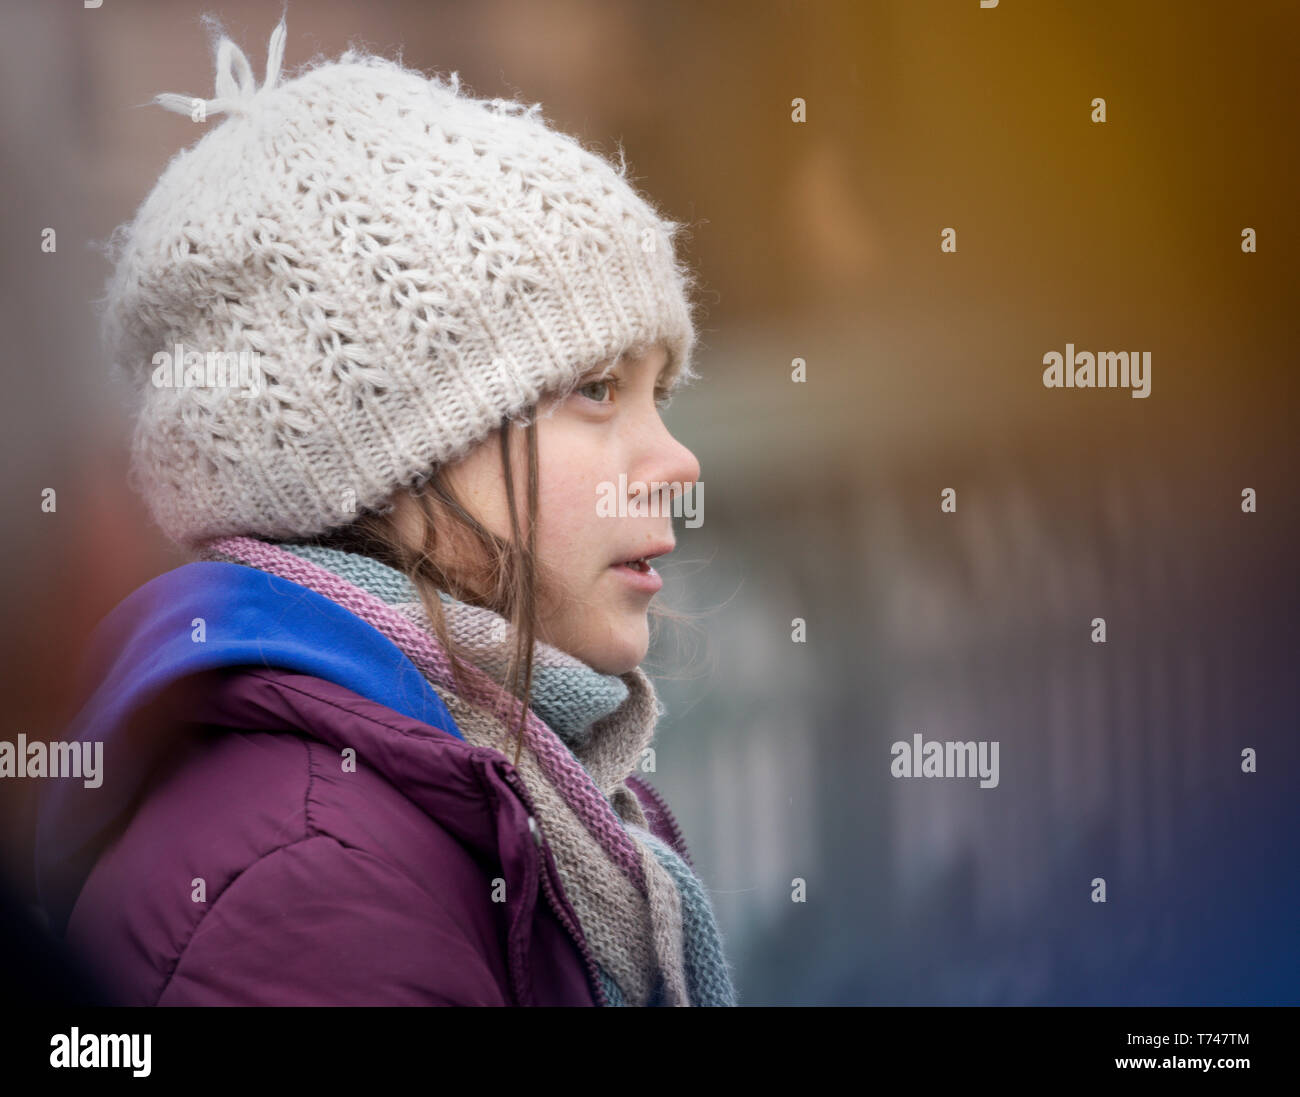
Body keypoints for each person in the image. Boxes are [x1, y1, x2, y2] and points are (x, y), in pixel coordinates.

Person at [33, 15, 736, 1007]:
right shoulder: (310, 889)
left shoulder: (508, 792)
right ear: (384, 459)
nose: (676, 459)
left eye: (662, 390)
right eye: (596, 387)